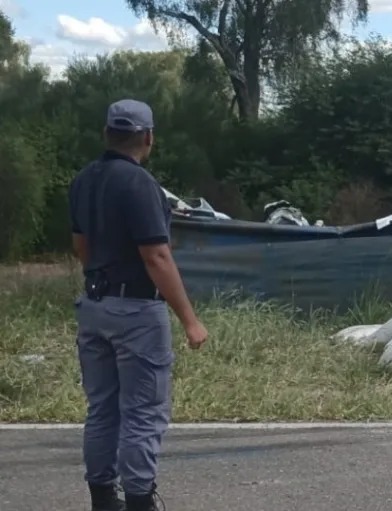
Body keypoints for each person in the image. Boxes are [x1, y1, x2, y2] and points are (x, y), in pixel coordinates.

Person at [68, 99, 208, 511]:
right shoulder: (140, 184)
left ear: (106, 134)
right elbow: (157, 257)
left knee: (102, 409)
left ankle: (102, 499)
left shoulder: (83, 180)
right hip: (137, 311)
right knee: (144, 412)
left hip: (93, 304)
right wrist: (190, 320)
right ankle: (140, 502)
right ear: (148, 137)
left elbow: (81, 246)